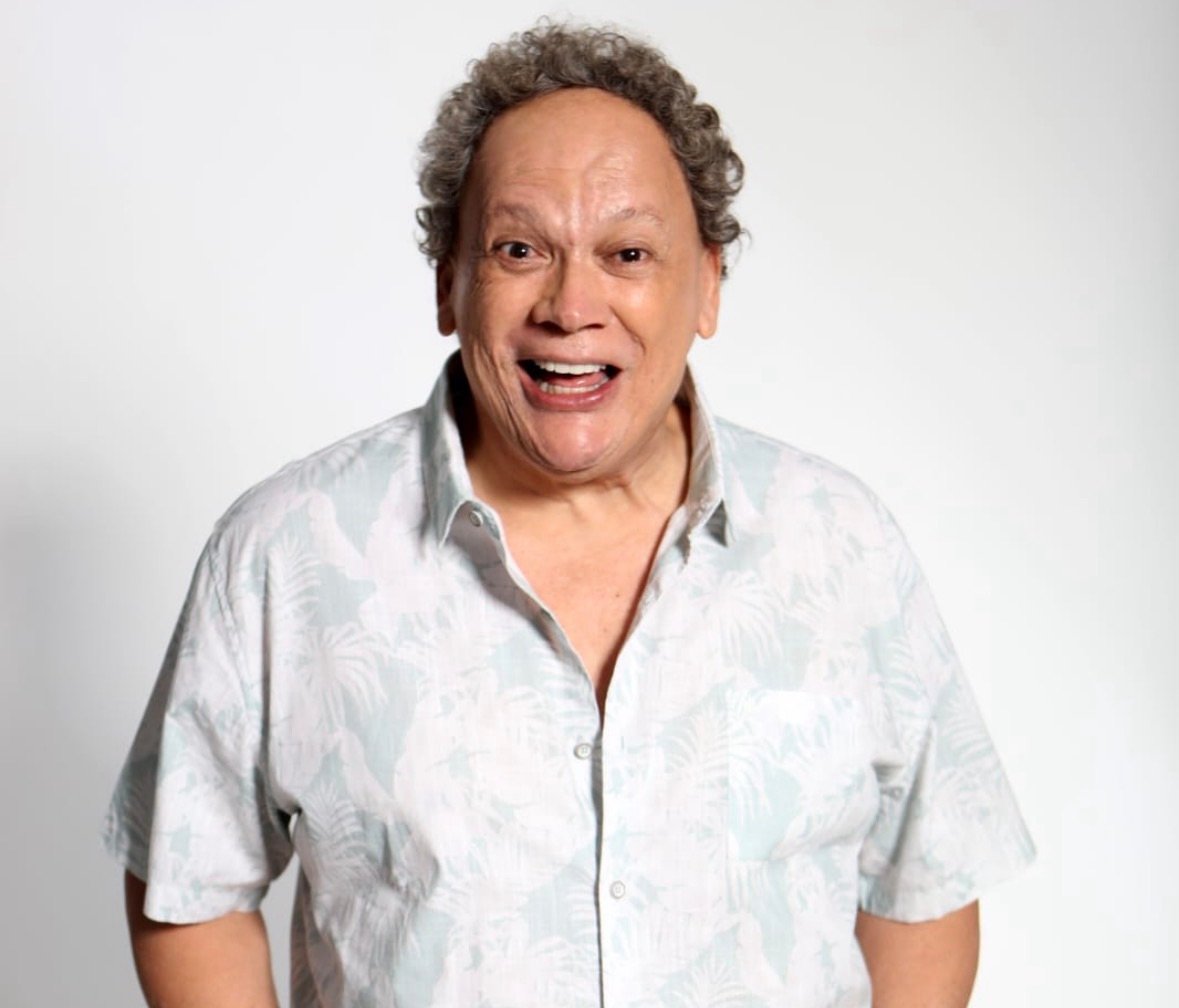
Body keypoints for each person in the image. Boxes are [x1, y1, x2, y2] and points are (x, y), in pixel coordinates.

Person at [105, 21, 1034, 1008]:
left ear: (707, 284)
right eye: (519, 249)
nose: (572, 304)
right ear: (448, 284)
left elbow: (923, 884)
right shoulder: (287, 551)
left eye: (627, 252)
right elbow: (190, 885)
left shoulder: (841, 544)